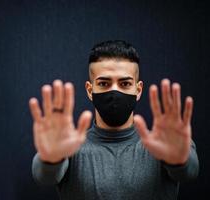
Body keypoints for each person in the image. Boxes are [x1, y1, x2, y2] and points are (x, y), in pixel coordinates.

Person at [29, 40, 199, 200]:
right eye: (104, 84)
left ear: (138, 90)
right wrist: (51, 159)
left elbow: (190, 172)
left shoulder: (165, 143)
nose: (114, 92)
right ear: (90, 90)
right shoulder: (69, 146)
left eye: (125, 84)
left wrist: (179, 160)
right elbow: (44, 175)